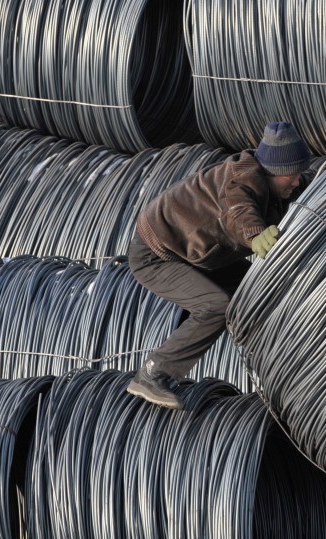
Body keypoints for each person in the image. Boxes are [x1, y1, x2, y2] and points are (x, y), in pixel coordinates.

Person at [126, 121, 312, 409]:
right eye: (292, 175)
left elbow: (313, 187)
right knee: (216, 305)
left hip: (198, 252)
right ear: (273, 170)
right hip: (156, 253)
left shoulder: (279, 182)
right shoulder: (243, 179)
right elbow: (237, 208)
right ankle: (153, 373)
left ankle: (282, 373)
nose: (297, 181)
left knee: (256, 293)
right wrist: (255, 235)